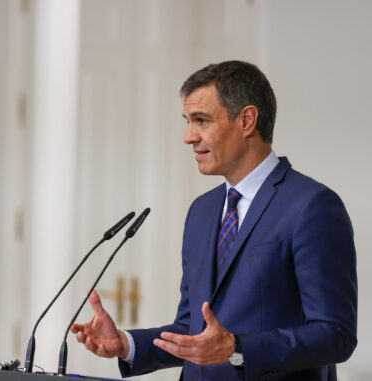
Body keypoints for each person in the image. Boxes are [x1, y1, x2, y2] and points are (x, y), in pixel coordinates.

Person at [71, 61, 357, 380]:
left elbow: (336, 334)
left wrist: (237, 349)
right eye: (188, 122)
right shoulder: (201, 211)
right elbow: (192, 330)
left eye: (201, 121)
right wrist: (126, 344)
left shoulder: (312, 205)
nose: (188, 137)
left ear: (247, 120)